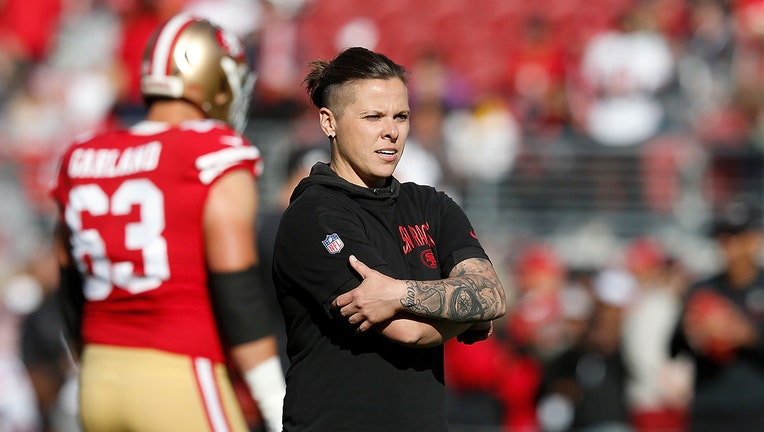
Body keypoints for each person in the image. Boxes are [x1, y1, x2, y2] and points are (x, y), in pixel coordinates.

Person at [50, 14, 285, 432]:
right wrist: (274, 399)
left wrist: (93, 362)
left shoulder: (82, 156)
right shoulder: (214, 152)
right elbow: (237, 292)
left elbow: (69, 287)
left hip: (98, 379)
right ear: (213, 76)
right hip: (178, 376)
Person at [272, 46, 507, 432]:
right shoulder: (314, 215)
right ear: (328, 122)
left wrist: (399, 294)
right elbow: (408, 330)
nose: (392, 131)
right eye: (373, 116)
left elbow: (493, 295)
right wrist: (465, 314)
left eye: (401, 116)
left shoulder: (431, 204)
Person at [670, 197, 764, 432]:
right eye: (723, 239)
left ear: (754, 239)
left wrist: (749, 335)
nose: (729, 248)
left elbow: (750, 337)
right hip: (708, 412)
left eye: (736, 238)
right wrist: (691, 334)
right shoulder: (703, 289)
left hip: (756, 412)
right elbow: (672, 349)